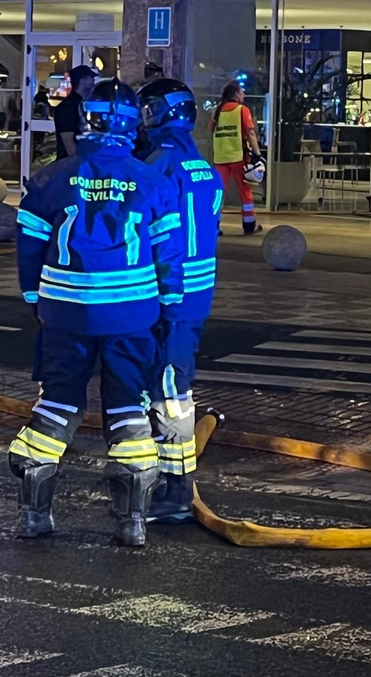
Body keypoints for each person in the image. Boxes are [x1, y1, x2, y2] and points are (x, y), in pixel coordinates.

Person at [8, 79, 185, 547]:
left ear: (87, 120)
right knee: (129, 407)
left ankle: (35, 514)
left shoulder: (49, 179)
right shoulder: (153, 182)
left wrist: (35, 302)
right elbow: (169, 259)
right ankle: (133, 522)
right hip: (132, 316)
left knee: (58, 402)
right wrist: (168, 309)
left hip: (64, 314)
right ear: (132, 124)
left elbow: (28, 253)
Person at [138, 77, 222, 523]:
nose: (142, 118)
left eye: (149, 109)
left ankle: (175, 490)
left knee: (169, 390)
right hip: (194, 294)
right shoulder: (200, 165)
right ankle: (163, 477)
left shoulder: (158, 166)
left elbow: (153, 234)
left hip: (166, 293)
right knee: (169, 383)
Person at [210, 81, 262, 234]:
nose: (244, 94)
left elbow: (210, 130)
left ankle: (214, 226)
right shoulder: (242, 110)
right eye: (242, 92)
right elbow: (251, 133)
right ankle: (249, 225)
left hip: (220, 157)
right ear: (236, 94)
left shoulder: (218, 111)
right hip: (238, 156)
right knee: (245, 191)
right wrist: (258, 155)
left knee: (219, 193)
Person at [52, 65, 97, 161]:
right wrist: (77, 164)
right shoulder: (69, 106)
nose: (93, 81)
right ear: (82, 80)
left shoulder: (81, 103)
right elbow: (68, 139)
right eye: (90, 77)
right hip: (68, 164)